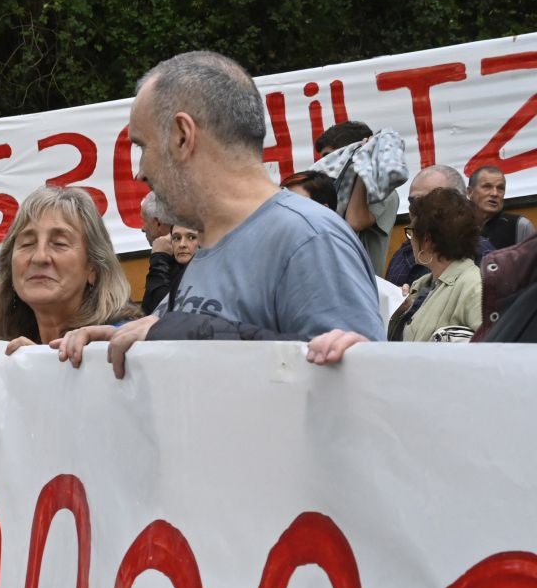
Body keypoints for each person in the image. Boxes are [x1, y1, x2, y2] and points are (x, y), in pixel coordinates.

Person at [57, 51, 382, 377]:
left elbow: (359, 389)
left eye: (143, 146)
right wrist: (117, 346)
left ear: (182, 136)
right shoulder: (211, 242)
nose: (140, 172)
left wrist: (180, 331)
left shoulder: (309, 239)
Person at [0, 185, 138, 353]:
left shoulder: (126, 345)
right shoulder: (6, 350)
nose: (40, 257)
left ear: (93, 267)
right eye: (27, 243)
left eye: (59, 243)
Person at [394, 187, 483, 342]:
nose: (410, 240)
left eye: (411, 232)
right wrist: (400, 311)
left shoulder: (475, 286)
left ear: (427, 240)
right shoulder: (422, 284)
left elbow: (496, 351)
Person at [313, 120, 402, 275]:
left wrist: (362, 164)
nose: (325, 165)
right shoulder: (334, 193)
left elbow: (354, 222)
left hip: (362, 288)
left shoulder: (382, 190)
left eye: (329, 157)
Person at [384, 165, 492, 286]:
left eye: (426, 201)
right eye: (412, 202)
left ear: (458, 205)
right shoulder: (404, 253)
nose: (415, 210)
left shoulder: (480, 255)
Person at [469, 164, 534, 251]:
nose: (495, 193)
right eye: (487, 187)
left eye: (500, 188)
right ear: (470, 192)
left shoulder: (520, 226)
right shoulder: (456, 226)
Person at [141, 222, 198, 315]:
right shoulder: (172, 269)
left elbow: (166, 311)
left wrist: (158, 258)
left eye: (191, 237)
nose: (182, 244)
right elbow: (149, 310)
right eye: (176, 238)